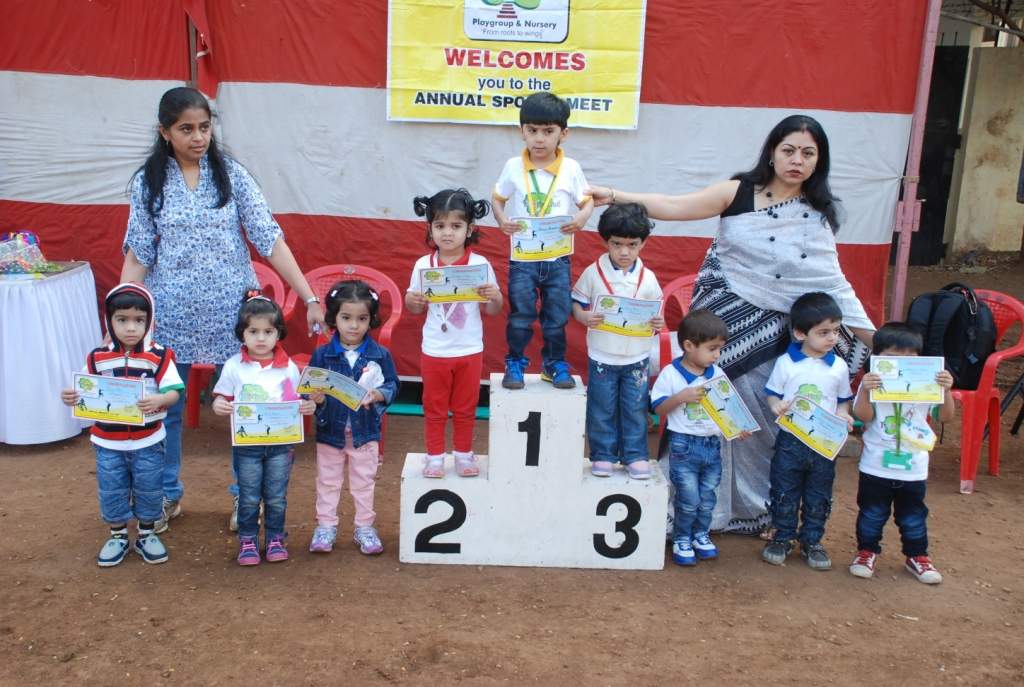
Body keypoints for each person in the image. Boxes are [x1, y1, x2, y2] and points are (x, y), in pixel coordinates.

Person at [588, 114, 874, 534]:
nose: (797, 160)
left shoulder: (818, 214)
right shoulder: (738, 192)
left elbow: (831, 283)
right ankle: (691, 511)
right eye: (789, 150)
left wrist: (882, 343)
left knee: (760, 427)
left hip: (773, 338)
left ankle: (755, 512)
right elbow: (675, 206)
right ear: (772, 153)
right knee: (706, 413)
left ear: (819, 161)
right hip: (720, 328)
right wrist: (613, 195)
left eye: (808, 153)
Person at [120, 86, 325, 534]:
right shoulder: (148, 183)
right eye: (186, 129)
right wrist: (121, 316)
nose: (198, 138)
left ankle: (245, 498)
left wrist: (309, 297)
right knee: (166, 408)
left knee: (243, 405)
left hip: (234, 319)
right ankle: (165, 495)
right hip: (170, 315)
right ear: (164, 132)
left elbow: (270, 239)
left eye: (204, 127)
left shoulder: (231, 175)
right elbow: (139, 253)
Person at [60, 283, 184, 567]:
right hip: (107, 442)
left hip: (148, 441)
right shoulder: (97, 358)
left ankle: (146, 534)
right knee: (111, 488)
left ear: (149, 321)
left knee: (149, 487)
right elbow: (86, 388)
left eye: (139, 320)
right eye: (122, 319)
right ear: (109, 321)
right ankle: (117, 535)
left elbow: (175, 390)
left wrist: (161, 399)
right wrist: (72, 396)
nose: (131, 327)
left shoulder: (160, 356)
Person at [492, 92, 594, 390]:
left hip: (557, 259)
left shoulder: (571, 168)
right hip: (523, 259)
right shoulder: (513, 166)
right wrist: (501, 219)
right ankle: (515, 362)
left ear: (563, 133)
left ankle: (554, 364)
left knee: (556, 317)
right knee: (521, 316)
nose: (539, 139)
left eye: (548, 131)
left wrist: (582, 217)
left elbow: (587, 201)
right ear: (521, 131)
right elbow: (497, 198)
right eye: (532, 130)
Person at [211, 294, 316, 565]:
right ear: (242, 333)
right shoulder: (234, 366)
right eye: (253, 331)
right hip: (247, 447)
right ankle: (247, 540)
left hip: (281, 447)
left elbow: (298, 400)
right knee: (248, 497)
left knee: (276, 497)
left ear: (278, 333)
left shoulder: (289, 367)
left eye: (268, 332)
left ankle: (275, 539)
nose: (260, 338)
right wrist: (219, 404)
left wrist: (308, 406)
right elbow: (221, 398)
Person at [406, 189, 503, 479]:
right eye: (440, 225)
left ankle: (463, 453)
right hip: (435, 349)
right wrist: (414, 300)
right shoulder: (424, 265)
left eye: (456, 226)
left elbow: (493, 310)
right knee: (434, 407)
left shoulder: (480, 265)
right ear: (430, 228)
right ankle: (435, 456)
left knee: (465, 406)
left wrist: (495, 296)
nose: (447, 233)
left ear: (470, 229)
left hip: (469, 348)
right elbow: (413, 307)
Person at [850, 323, 955, 584]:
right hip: (875, 465)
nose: (901, 363)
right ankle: (866, 552)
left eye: (910, 357)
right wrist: (866, 390)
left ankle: (917, 556)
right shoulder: (872, 385)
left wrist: (946, 391)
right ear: (877, 358)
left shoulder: (927, 386)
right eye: (892, 356)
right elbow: (863, 416)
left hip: (914, 467)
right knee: (871, 513)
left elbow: (945, 416)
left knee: (913, 516)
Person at [762, 292, 854, 570]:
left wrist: (843, 415)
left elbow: (842, 400)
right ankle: (783, 537)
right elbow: (772, 394)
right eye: (823, 332)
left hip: (824, 443)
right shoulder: (786, 363)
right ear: (801, 333)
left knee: (819, 494)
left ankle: (812, 541)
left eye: (836, 331)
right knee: (784, 490)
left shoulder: (839, 366)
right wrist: (776, 406)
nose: (832, 338)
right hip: (791, 440)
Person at [571, 203, 663, 479]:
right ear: (606, 241)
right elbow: (577, 304)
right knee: (601, 407)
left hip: (637, 356)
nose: (624, 252)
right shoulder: (593, 272)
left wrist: (657, 323)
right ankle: (603, 455)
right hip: (602, 354)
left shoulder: (649, 279)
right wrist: (583, 316)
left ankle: (635, 455)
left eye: (632, 245)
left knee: (635, 407)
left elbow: (656, 313)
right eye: (617, 244)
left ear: (643, 243)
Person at [307, 280, 400, 555]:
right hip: (330, 432)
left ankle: (364, 527)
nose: (354, 325)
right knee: (327, 481)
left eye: (362, 319)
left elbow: (393, 385)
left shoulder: (379, 354)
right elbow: (309, 390)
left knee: (364, 482)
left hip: (365, 433)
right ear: (333, 318)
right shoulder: (322, 355)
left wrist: (378, 394)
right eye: (346, 317)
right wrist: (315, 399)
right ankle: (325, 526)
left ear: (371, 320)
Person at [652, 310, 736, 566]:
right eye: (712, 349)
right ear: (689, 346)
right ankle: (682, 538)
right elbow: (658, 408)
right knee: (688, 498)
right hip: (683, 444)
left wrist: (737, 428)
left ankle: (700, 534)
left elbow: (727, 408)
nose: (717, 355)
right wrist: (681, 397)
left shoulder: (717, 373)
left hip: (712, 444)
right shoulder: (671, 374)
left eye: (720, 348)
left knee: (708, 497)